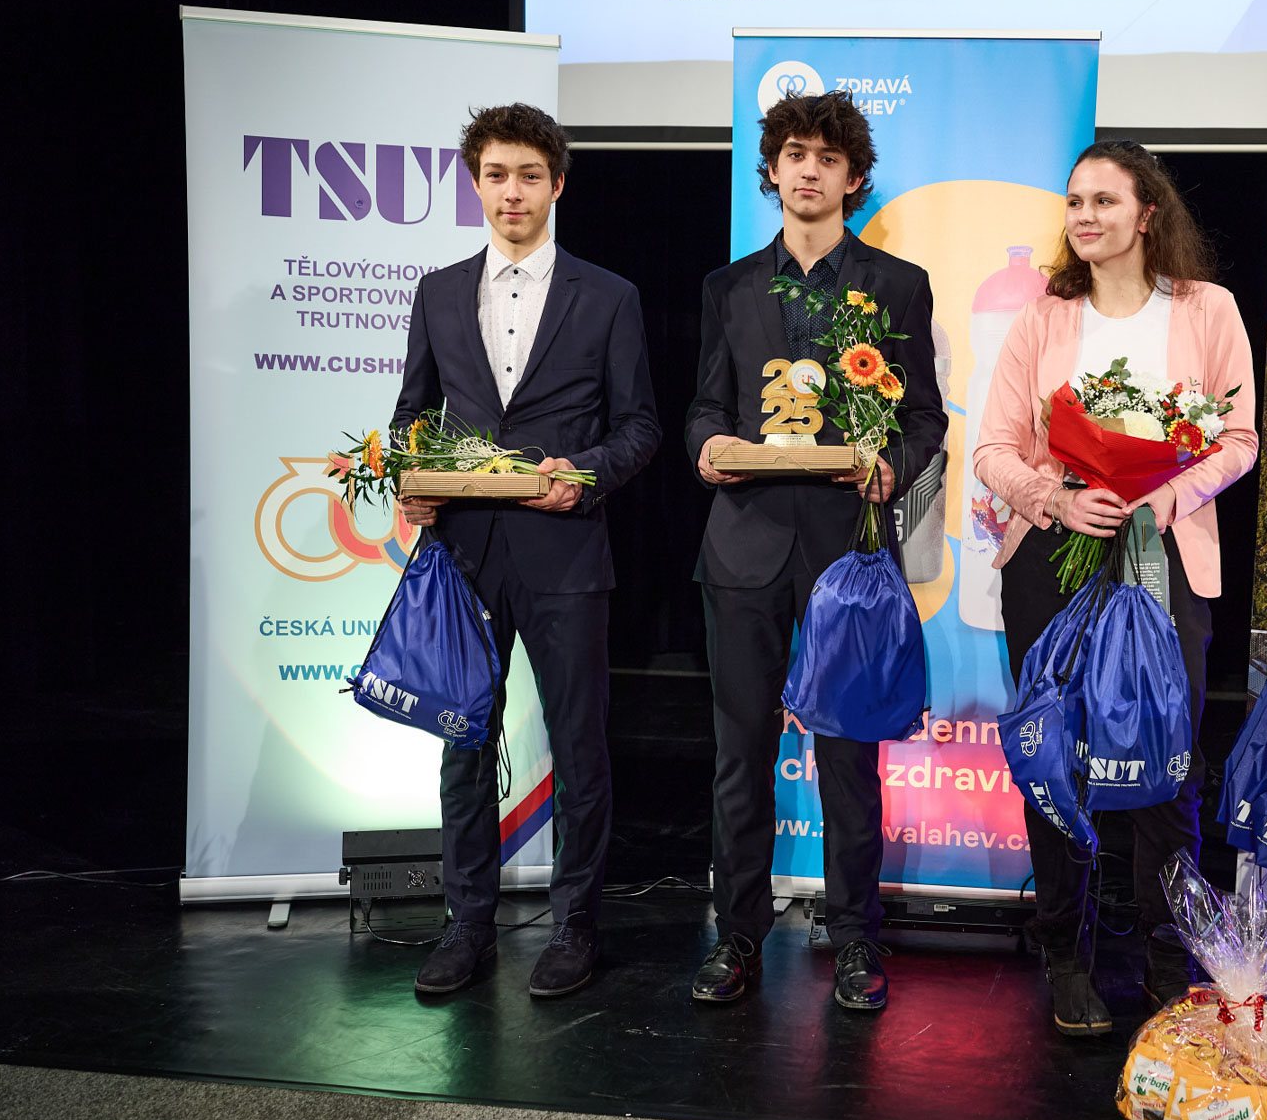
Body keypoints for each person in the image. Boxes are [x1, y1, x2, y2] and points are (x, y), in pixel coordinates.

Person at [973, 140, 1258, 1034]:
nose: (1085, 216)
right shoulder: (1041, 318)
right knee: (1057, 758)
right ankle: (1066, 953)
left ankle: (1171, 964)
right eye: (1074, 202)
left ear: (1148, 212)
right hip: (1052, 559)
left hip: (1164, 556)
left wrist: (1167, 495)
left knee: (1168, 763)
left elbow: (1239, 439)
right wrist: (1056, 497)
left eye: (1104, 200)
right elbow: (992, 449)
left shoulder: (1207, 309)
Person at [684, 91, 945, 1011]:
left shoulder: (896, 284)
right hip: (743, 546)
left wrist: (891, 468)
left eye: (827, 158)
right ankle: (737, 934)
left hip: (849, 556)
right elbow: (705, 405)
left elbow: (924, 417)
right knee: (740, 755)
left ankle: (857, 939)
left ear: (853, 176)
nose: (808, 170)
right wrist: (706, 446)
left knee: (848, 757)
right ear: (772, 168)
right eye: (794, 153)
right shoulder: (727, 287)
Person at [393, 104, 661, 997]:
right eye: (497, 175)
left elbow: (639, 428)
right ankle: (467, 924)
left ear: (557, 185)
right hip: (464, 555)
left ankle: (575, 926)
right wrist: (412, 479)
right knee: (463, 742)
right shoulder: (437, 292)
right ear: (475, 183)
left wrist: (583, 474)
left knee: (579, 747)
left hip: (565, 552)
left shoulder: (609, 295)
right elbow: (413, 416)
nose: (513, 191)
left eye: (530, 176)